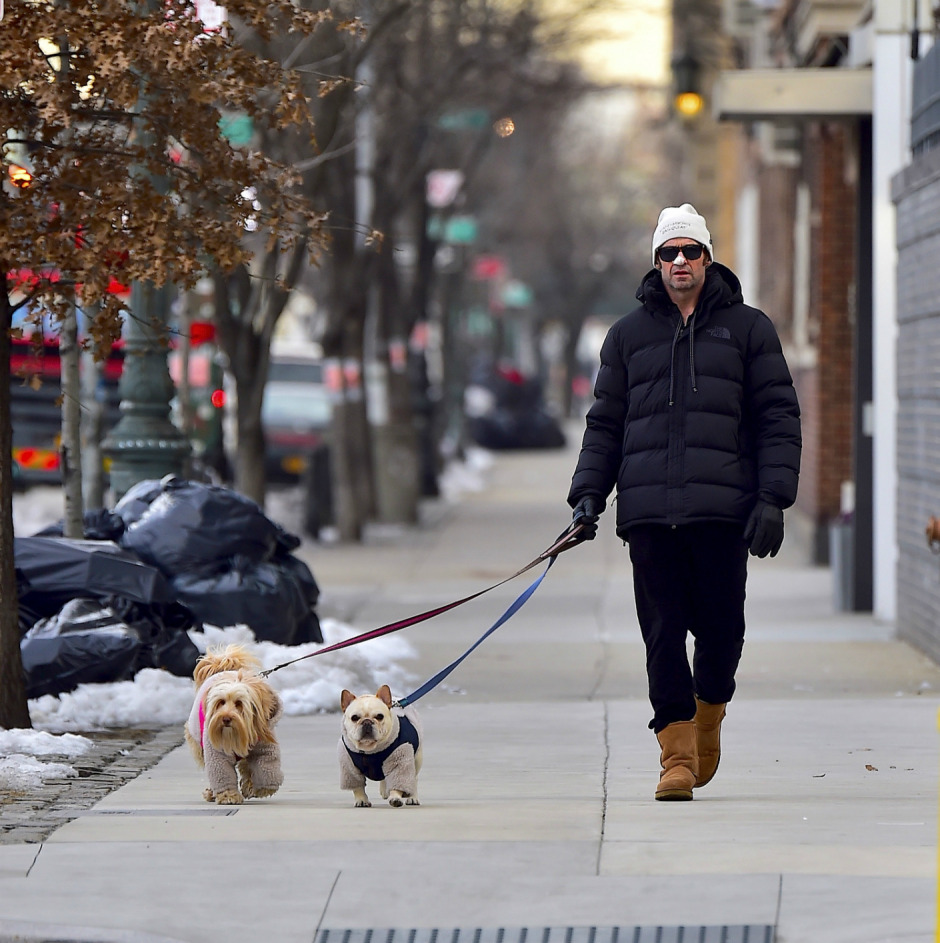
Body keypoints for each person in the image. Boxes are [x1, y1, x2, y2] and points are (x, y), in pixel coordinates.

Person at [565, 203, 801, 801]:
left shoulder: (749, 329)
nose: (679, 262)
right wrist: (589, 493)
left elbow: (778, 416)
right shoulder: (627, 336)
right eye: (668, 253)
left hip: (723, 513)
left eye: (690, 251)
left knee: (722, 632)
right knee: (663, 635)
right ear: (656, 262)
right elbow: (605, 423)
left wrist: (773, 498)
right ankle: (675, 757)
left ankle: (708, 716)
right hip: (649, 514)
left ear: (707, 258)